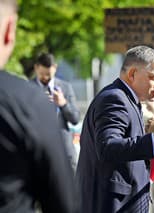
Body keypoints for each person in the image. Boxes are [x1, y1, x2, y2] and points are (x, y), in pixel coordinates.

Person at [76, 45, 154, 213]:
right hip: (112, 204)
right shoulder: (115, 99)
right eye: (153, 77)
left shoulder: (125, 98)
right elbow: (108, 147)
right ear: (132, 74)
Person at [0, 0, 76, 212]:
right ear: (9, 30)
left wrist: (64, 105)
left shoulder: (55, 91)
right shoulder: (28, 101)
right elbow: (63, 203)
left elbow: (75, 118)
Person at [31, 53, 80, 170]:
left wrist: (63, 104)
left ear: (55, 68)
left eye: (49, 74)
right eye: (42, 74)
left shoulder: (65, 87)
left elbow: (75, 119)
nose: (45, 78)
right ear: (36, 68)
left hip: (64, 152)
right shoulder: (27, 87)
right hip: (38, 151)